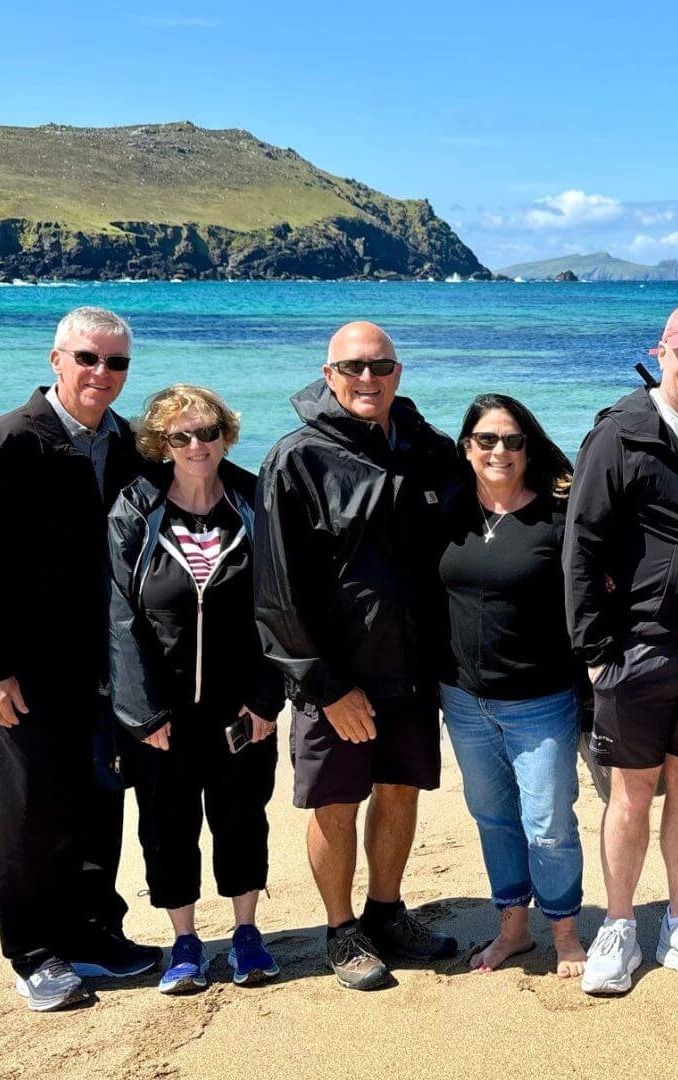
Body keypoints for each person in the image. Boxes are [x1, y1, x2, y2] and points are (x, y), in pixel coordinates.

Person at [0, 306, 161, 1012]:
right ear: (56, 360)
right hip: (22, 672)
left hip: (108, 666)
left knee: (99, 802)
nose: (102, 374)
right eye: (88, 359)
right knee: (31, 811)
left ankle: (94, 936)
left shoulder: (128, 445)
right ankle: (34, 951)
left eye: (117, 363)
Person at [254, 321, 463, 991]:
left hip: (411, 668)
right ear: (328, 374)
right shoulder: (296, 458)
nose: (367, 379)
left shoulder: (425, 448)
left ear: (399, 373)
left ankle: (387, 912)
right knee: (336, 804)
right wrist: (324, 686)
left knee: (400, 793)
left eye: (380, 367)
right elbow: (275, 591)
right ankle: (342, 930)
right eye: (353, 369)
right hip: (335, 679)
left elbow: (490, 492)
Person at [564, 299, 678, 995]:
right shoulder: (622, 433)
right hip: (635, 648)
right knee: (631, 792)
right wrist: (593, 650)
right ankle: (618, 925)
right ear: (661, 353)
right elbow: (581, 546)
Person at [107, 385, 285, 993]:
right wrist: (140, 711)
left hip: (241, 709)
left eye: (207, 431)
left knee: (241, 817)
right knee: (165, 823)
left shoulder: (256, 501)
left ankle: (245, 934)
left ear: (225, 434)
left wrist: (267, 697)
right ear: (161, 442)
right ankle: (184, 941)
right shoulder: (135, 507)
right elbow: (120, 616)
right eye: (180, 436)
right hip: (163, 714)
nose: (196, 445)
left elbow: (279, 607)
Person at [437, 394, 587, 977]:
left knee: (549, 825)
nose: (501, 450)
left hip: (542, 701)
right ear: (467, 448)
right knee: (493, 817)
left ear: (530, 447)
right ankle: (513, 931)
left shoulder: (559, 516)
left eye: (513, 440)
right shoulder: (447, 511)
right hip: (463, 701)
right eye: (488, 440)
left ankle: (567, 932)